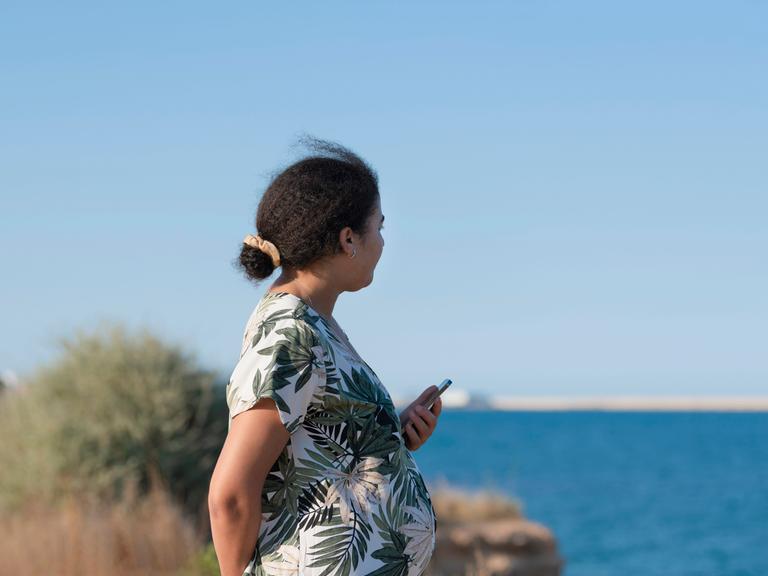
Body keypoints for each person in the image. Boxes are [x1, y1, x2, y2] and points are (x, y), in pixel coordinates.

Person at [208, 136, 443, 576]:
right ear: (348, 238)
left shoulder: (316, 324)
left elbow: (312, 443)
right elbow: (230, 493)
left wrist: (389, 432)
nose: (383, 243)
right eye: (380, 227)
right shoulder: (292, 333)